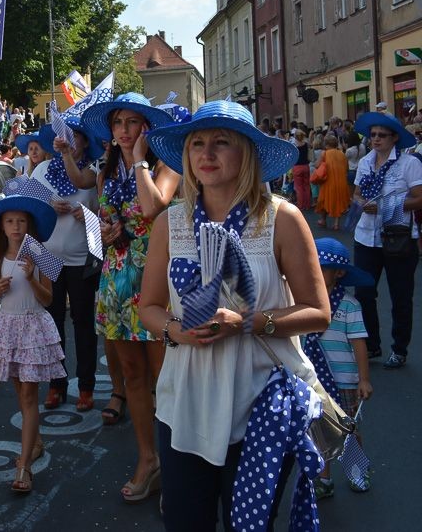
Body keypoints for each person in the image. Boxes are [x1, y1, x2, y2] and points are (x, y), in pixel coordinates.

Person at [139, 99, 329, 531]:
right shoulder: (171, 223)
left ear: (247, 153)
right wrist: (175, 330)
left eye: (221, 143)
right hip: (184, 404)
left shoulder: (281, 218)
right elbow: (148, 308)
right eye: (197, 143)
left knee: (250, 526)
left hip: (259, 406)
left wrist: (248, 322)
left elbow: (319, 312)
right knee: (186, 522)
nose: (206, 154)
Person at [80, 92, 178, 502]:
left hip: (155, 282)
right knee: (134, 377)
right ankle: (148, 458)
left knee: (166, 381)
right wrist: (106, 232)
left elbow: (155, 208)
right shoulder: (106, 172)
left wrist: (139, 160)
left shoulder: (165, 164)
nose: (122, 130)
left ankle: (177, 469)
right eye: (117, 122)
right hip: (117, 280)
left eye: (131, 122)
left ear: (146, 128)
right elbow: (106, 222)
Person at [0, 183, 62, 494]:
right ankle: (36, 441)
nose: (16, 227)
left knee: (29, 398)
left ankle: (24, 465)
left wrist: (31, 278)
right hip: (7, 327)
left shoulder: (39, 254)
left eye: (22, 221)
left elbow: (48, 299)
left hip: (32, 327)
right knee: (20, 393)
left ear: (30, 225)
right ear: (2, 225)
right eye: (10, 221)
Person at [39, 119, 102, 413]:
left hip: (82, 258)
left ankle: (86, 387)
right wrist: (48, 206)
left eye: (74, 136)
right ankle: (56, 385)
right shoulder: (42, 170)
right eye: (63, 136)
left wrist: (87, 214)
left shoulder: (94, 171)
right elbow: (28, 208)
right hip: (49, 257)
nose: (68, 141)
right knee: (52, 325)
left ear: (86, 142)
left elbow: (107, 211)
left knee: (83, 324)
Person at [350, 112, 422, 369]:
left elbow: (419, 198)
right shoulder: (366, 162)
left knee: (400, 296)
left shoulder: (409, 164)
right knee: (364, 293)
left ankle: (399, 349)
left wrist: (386, 206)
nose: (375, 139)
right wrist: (361, 203)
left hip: (398, 238)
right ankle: (371, 345)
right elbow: (356, 194)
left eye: (381, 135)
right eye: (372, 135)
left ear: (394, 138)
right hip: (366, 237)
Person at [309, 238, 373, 499]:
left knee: (349, 429)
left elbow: (359, 345)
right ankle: (324, 478)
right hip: (315, 380)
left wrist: (364, 379)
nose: (315, 272)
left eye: (322, 268)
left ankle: (357, 470)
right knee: (320, 431)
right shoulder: (305, 302)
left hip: (345, 380)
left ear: (339, 273)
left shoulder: (349, 306)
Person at [315, 134, 351, 230]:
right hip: (341, 182)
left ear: (326, 144)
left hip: (328, 182)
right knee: (338, 201)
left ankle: (323, 220)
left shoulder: (324, 153)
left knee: (323, 200)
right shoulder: (342, 154)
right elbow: (347, 168)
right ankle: (336, 224)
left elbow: (317, 165)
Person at [290, 129, 311, 211]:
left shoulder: (294, 146)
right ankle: (307, 204)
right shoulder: (306, 144)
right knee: (306, 186)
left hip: (297, 167)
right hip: (306, 166)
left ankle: (301, 205)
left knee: (299, 187)